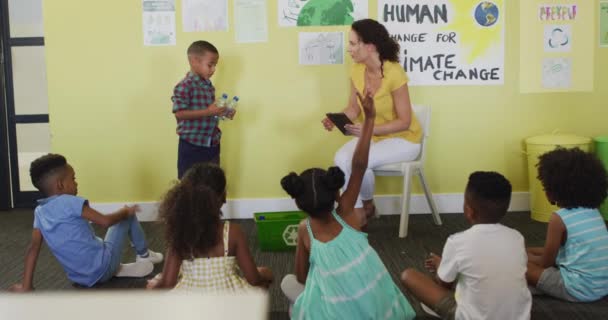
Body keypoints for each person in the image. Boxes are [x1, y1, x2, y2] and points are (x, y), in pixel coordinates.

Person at [280, 90, 416, 319]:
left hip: (336, 311)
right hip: (380, 306)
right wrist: (370, 119)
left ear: (298, 203)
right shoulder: (347, 212)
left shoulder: (306, 230)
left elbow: (302, 278)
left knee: (288, 284)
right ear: (336, 194)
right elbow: (360, 165)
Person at [10, 154, 162, 291]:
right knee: (126, 215)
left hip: (80, 278)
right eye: (73, 178)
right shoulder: (70, 202)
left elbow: (33, 249)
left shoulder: (39, 212)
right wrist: (126, 211)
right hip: (103, 266)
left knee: (96, 242)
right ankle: (144, 255)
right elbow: (105, 222)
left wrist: (26, 286)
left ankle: (117, 269)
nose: (76, 183)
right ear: (60, 185)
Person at [322, 19, 422, 225]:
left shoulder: (394, 73)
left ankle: (356, 213)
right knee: (341, 159)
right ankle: (363, 206)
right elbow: (353, 109)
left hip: (404, 139)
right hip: (373, 136)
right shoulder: (357, 70)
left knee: (358, 161)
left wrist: (369, 129)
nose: (349, 49)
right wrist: (336, 119)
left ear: (370, 46)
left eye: (352, 43)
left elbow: (405, 121)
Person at [401, 172, 531, 320]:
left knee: (409, 275)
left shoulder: (457, 242)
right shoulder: (517, 237)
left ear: (469, 211)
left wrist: (441, 266)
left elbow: (444, 284)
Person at [147, 163, 272, 291]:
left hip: (191, 305)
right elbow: (253, 279)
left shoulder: (180, 232)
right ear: (223, 197)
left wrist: (152, 287)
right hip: (228, 303)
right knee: (263, 281)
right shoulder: (233, 232)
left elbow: (168, 283)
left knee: (156, 282)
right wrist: (265, 273)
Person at [526, 148, 608, 302]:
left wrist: (524, 258)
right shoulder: (594, 213)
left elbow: (546, 262)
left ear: (553, 190)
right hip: (602, 286)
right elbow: (571, 251)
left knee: (521, 266)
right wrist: (528, 251)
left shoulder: (559, 219)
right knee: (527, 256)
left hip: (578, 289)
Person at [172, 40, 235, 178]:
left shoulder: (208, 85)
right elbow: (179, 114)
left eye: (215, 66)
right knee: (190, 185)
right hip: (192, 145)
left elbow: (210, 112)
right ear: (194, 61)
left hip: (212, 143)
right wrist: (208, 112)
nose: (213, 70)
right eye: (210, 65)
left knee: (213, 183)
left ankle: (213, 200)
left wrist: (222, 112)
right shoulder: (184, 86)